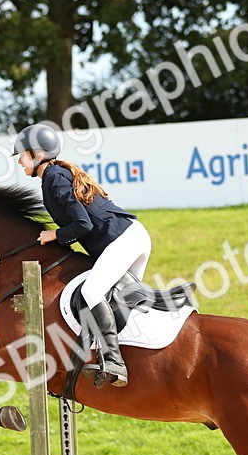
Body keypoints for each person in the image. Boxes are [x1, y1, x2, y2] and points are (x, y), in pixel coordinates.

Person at [13, 122, 150, 388]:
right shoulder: (56, 174)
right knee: (119, 300)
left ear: (38, 154)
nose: (19, 161)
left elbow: (83, 224)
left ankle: (114, 362)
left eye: (22, 154)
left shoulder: (53, 177)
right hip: (132, 236)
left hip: (122, 240)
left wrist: (54, 235)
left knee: (91, 292)